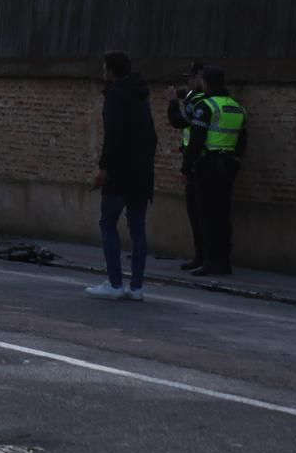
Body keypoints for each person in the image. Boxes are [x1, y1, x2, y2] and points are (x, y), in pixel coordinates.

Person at [85, 51, 157, 301]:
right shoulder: (141, 96)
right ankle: (136, 287)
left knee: (108, 224)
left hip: (121, 173)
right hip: (142, 173)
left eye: (105, 69)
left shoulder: (115, 96)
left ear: (112, 71)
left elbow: (113, 137)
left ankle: (115, 282)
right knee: (138, 229)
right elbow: (151, 137)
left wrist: (104, 169)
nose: (103, 74)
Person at [183, 66, 247, 277]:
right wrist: (235, 159)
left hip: (209, 165)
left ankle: (211, 261)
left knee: (207, 216)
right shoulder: (237, 107)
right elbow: (242, 140)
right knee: (222, 215)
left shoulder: (206, 106)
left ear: (207, 83)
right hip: (228, 166)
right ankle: (223, 260)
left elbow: (196, 140)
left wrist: (186, 166)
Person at [165, 61, 208, 271]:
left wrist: (173, 102)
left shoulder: (198, 101)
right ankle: (210, 257)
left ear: (201, 77)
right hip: (211, 162)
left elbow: (178, 121)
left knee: (198, 212)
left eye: (192, 78)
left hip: (197, 163)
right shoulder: (209, 98)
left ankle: (202, 257)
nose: (188, 82)